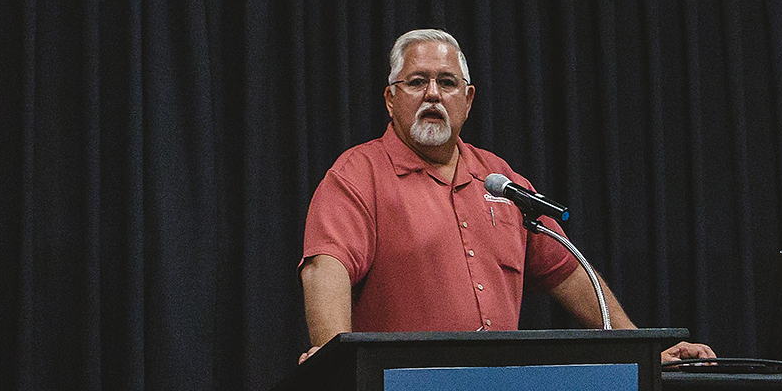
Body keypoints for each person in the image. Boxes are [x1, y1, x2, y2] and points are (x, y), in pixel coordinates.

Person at [299, 29, 715, 365]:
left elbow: (568, 270)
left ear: (468, 99)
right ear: (391, 99)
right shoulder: (357, 175)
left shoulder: (498, 178)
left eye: (447, 83)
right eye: (416, 82)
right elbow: (326, 266)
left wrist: (643, 351)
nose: (433, 94)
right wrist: (334, 362)